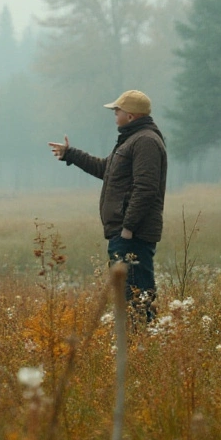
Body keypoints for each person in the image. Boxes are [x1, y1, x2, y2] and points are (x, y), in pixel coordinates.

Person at [48, 90, 167, 320]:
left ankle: (143, 344)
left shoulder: (145, 142)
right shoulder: (131, 140)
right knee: (129, 298)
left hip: (133, 236)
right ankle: (136, 346)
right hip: (124, 234)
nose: (115, 115)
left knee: (137, 298)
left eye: (117, 111)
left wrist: (128, 228)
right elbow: (106, 169)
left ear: (130, 116)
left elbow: (146, 188)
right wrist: (70, 154)